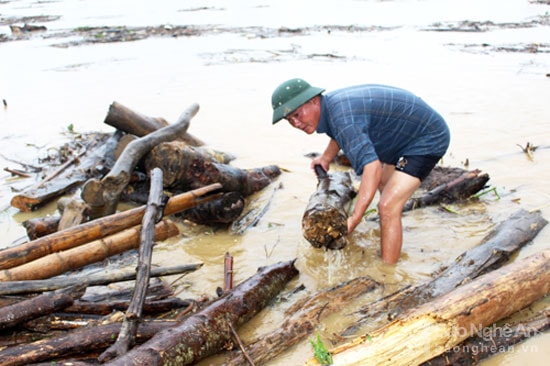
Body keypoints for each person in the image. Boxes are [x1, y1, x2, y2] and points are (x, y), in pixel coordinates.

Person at [271, 78, 450, 264]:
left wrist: (354, 219)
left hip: (427, 138)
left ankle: (387, 276)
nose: (296, 123)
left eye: (297, 115)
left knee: (387, 206)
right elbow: (341, 133)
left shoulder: (341, 116)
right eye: (290, 120)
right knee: (383, 189)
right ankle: (389, 236)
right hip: (399, 137)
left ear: (313, 101)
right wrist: (325, 158)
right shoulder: (332, 108)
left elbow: (372, 168)